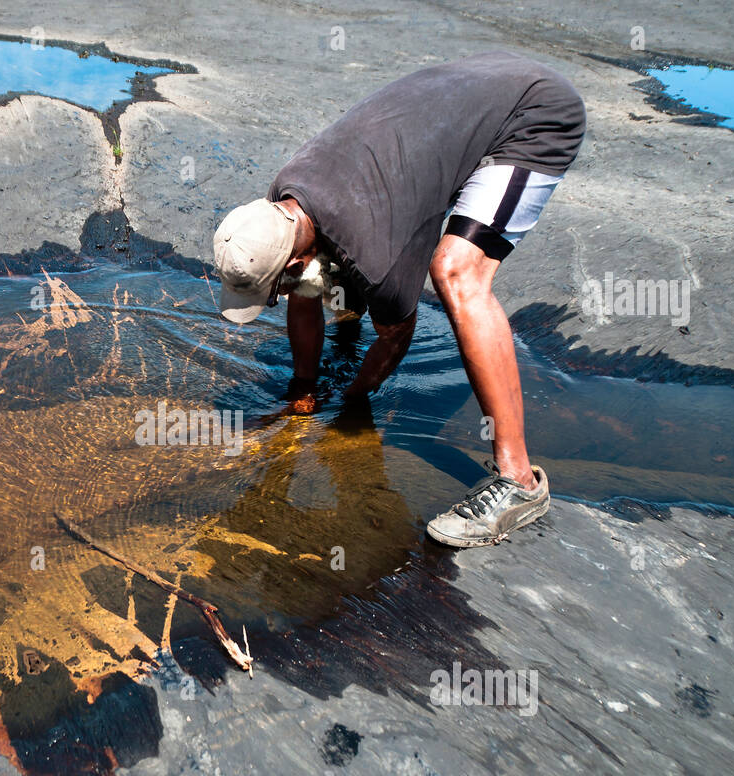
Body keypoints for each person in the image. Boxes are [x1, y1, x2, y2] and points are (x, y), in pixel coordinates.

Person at [212, 51, 586, 547]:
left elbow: (395, 339)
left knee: (456, 272)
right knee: (349, 259)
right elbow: (305, 288)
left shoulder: (378, 261)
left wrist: (352, 397)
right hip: (473, 81)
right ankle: (344, 313)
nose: (279, 297)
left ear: (297, 263)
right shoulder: (284, 200)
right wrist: (302, 389)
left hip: (531, 115)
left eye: (274, 288)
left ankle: (518, 483)